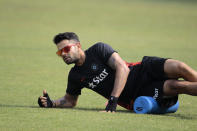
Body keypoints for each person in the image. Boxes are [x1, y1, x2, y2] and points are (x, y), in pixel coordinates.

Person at [38, 32, 197, 112]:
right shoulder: (75, 76)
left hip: (141, 69)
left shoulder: (98, 49)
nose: (64, 54)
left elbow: (123, 68)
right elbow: (70, 100)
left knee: (180, 67)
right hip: (136, 94)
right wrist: (52, 103)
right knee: (177, 86)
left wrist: (113, 100)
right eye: (60, 53)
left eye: (66, 49)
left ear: (78, 46)